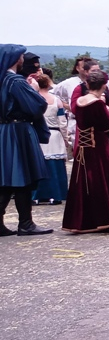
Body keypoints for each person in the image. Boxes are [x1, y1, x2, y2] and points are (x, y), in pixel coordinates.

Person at [62, 70, 109, 233]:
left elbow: (92, 121)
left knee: (82, 184)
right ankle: (106, 219)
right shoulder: (97, 103)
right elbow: (108, 128)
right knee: (102, 182)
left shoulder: (80, 101)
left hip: (82, 148)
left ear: (87, 84)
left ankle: (81, 222)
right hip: (98, 148)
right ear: (104, 86)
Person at [0, 44, 52, 236]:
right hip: (18, 132)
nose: (23, 59)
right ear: (16, 59)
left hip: (4, 131)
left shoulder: (2, 79)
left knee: (6, 179)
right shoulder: (15, 81)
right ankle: (26, 223)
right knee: (22, 176)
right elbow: (36, 107)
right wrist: (35, 90)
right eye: (21, 56)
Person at [31, 74, 69, 205]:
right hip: (54, 135)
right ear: (48, 84)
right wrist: (65, 138)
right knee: (55, 165)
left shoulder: (33, 99)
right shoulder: (56, 100)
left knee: (39, 164)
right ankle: (57, 194)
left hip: (38, 134)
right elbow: (62, 122)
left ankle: (37, 195)